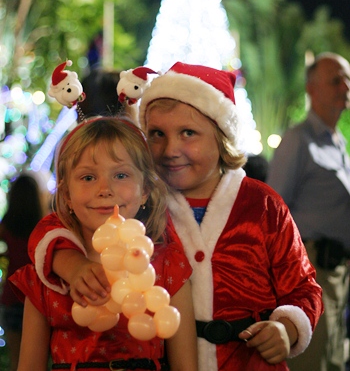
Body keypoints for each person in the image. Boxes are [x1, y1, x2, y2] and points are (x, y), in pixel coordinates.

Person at [26, 62, 323, 371]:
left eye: (188, 133)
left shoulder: (262, 205)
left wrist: (287, 327)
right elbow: (53, 228)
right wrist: (70, 263)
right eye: (156, 134)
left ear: (221, 136)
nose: (170, 149)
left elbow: (304, 286)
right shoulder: (138, 201)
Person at [10, 117, 198, 371]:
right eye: (88, 177)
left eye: (120, 175)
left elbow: (187, 366)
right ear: (66, 195)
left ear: (144, 189)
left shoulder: (168, 266)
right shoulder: (46, 277)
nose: (105, 189)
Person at [267, 52, 350, 371]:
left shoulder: (337, 141)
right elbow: (274, 210)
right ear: (311, 89)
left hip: (337, 273)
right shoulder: (297, 140)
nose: (345, 87)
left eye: (347, 79)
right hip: (310, 272)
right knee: (315, 362)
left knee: (334, 358)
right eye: (335, 80)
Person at [0, 172, 50, 371]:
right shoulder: (44, 226)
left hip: (12, 296)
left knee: (16, 361)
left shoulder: (6, 226)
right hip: (38, 297)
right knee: (41, 362)